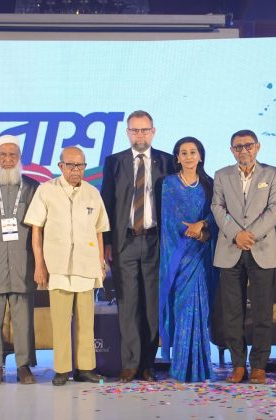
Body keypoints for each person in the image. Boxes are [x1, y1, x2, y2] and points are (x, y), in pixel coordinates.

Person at [101, 110, 176, 382]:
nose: (140, 135)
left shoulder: (168, 161)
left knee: (152, 306)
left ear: (153, 132)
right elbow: (106, 203)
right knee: (128, 304)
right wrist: (107, 242)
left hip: (157, 241)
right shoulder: (114, 162)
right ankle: (130, 363)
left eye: (144, 130)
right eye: (135, 130)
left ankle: (147, 364)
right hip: (125, 242)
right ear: (127, 133)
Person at [24, 146, 109, 386]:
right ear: (61, 166)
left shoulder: (93, 193)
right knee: (60, 321)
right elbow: (36, 230)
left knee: (86, 322)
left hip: (86, 265)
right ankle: (62, 369)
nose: (76, 170)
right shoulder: (46, 190)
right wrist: (39, 265)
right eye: (70, 165)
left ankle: (85, 369)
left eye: (80, 165)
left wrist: (100, 263)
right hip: (58, 266)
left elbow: (100, 231)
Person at [211, 129, 276, 385]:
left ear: (257, 147)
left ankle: (259, 366)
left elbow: (275, 209)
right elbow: (217, 207)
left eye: (248, 145)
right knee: (232, 312)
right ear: (232, 150)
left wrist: (249, 235)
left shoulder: (272, 174)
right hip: (230, 249)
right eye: (238, 147)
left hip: (261, 248)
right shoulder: (222, 175)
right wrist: (235, 234)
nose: (244, 150)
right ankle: (238, 365)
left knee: (262, 312)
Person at [0, 135, 40, 386]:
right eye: (3, 154)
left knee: (23, 319)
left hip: (23, 263)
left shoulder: (33, 187)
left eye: (13, 155)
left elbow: (40, 229)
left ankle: (24, 366)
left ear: (20, 157)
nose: (8, 159)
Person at [159, 137, 218, 382]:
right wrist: (188, 233)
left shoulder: (209, 184)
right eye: (183, 152)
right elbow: (168, 219)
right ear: (177, 157)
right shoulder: (169, 183)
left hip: (201, 255)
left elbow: (216, 214)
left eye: (193, 152)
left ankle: (200, 366)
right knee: (181, 308)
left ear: (200, 156)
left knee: (199, 310)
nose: (189, 156)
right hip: (178, 256)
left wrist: (202, 227)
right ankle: (181, 366)